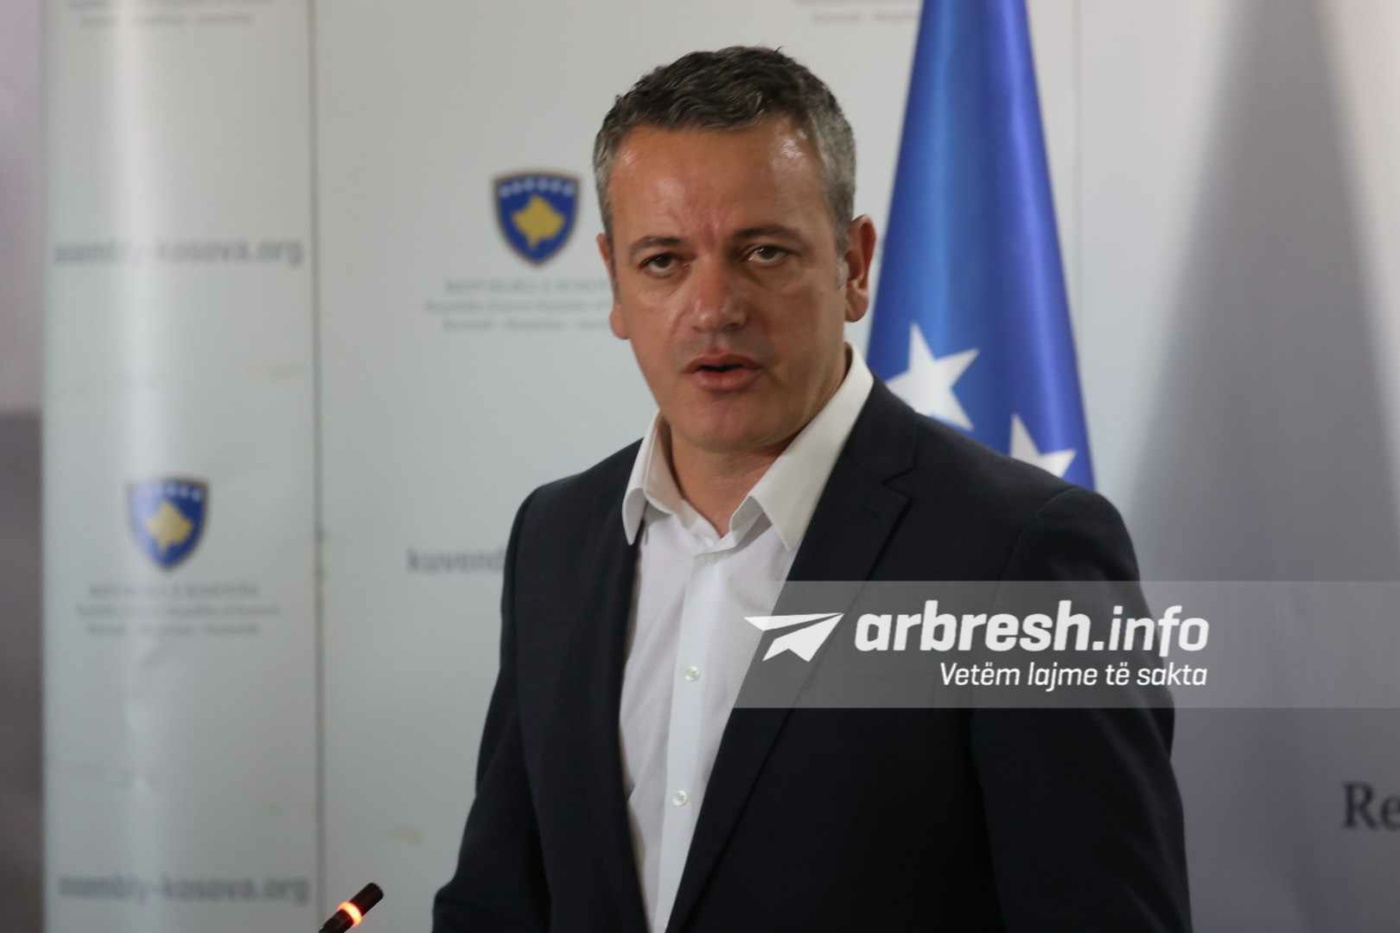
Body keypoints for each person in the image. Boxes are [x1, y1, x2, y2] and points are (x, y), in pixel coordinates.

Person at [433, 46, 1192, 932]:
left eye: (763, 252)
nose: (714, 307)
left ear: (854, 265)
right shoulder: (555, 538)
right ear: (614, 282)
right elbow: (498, 902)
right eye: (664, 261)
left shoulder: (1021, 554)